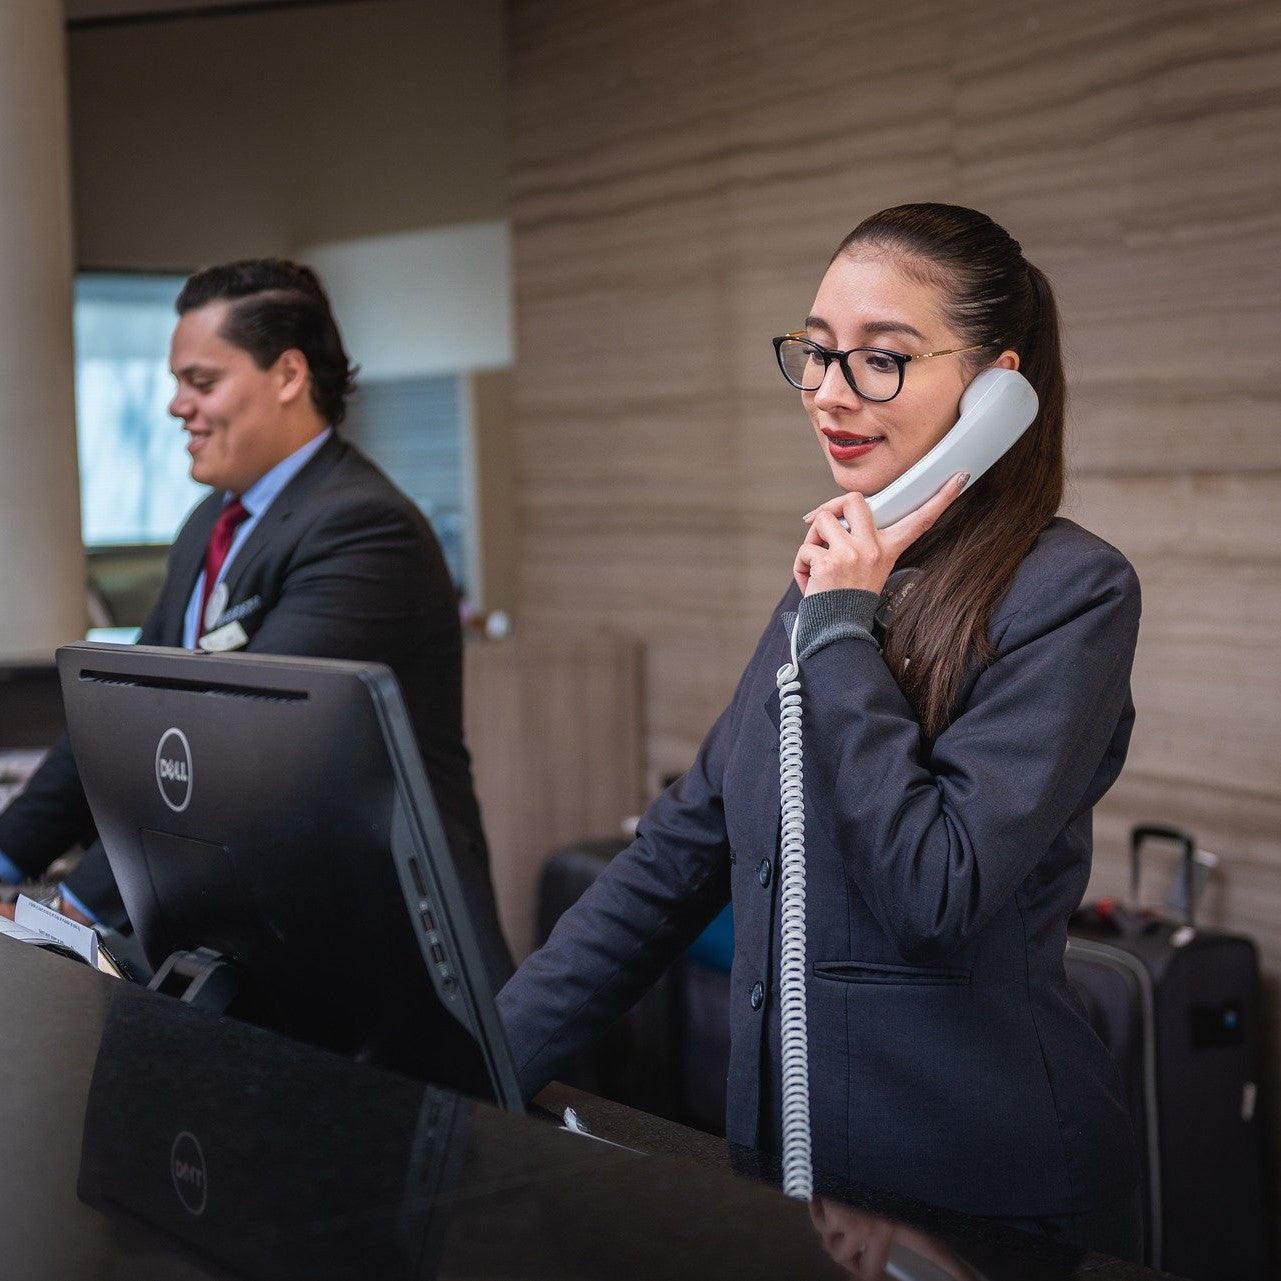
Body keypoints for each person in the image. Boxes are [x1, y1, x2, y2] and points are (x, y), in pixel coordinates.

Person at [497, 204, 1142, 1257]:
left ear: (997, 391)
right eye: (818, 353)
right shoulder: (836, 576)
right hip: (788, 1181)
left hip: (974, 1196)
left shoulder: (1069, 593)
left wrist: (842, 622)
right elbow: (673, 858)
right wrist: (474, 1060)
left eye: (881, 362)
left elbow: (938, 890)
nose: (831, 395)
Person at [0, 259, 512, 991]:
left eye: (201, 381)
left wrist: (72, 909)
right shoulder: (210, 521)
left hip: (374, 961)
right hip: (247, 944)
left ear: (288, 375)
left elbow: (232, 756)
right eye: (177, 381)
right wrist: (9, 856)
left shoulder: (364, 529)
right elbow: (119, 719)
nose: (177, 405)